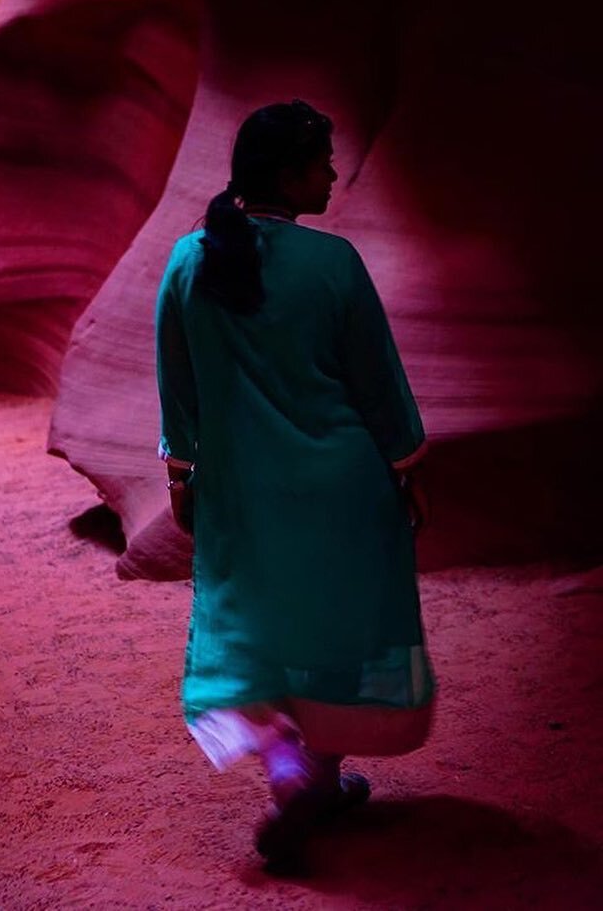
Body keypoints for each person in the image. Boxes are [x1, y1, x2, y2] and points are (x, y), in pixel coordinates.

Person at [154, 99, 434, 873]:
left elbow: (176, 386)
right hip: (343, 482)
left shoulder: (187, 261)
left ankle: (287, 762)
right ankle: (314, 771)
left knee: (253, 624)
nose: (333, 173)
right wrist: (405, 464)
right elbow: (377, 380)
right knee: (339, 622)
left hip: (241, 488)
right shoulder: (333, 263)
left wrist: (180, 469)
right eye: (320, 162)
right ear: (286, 175)